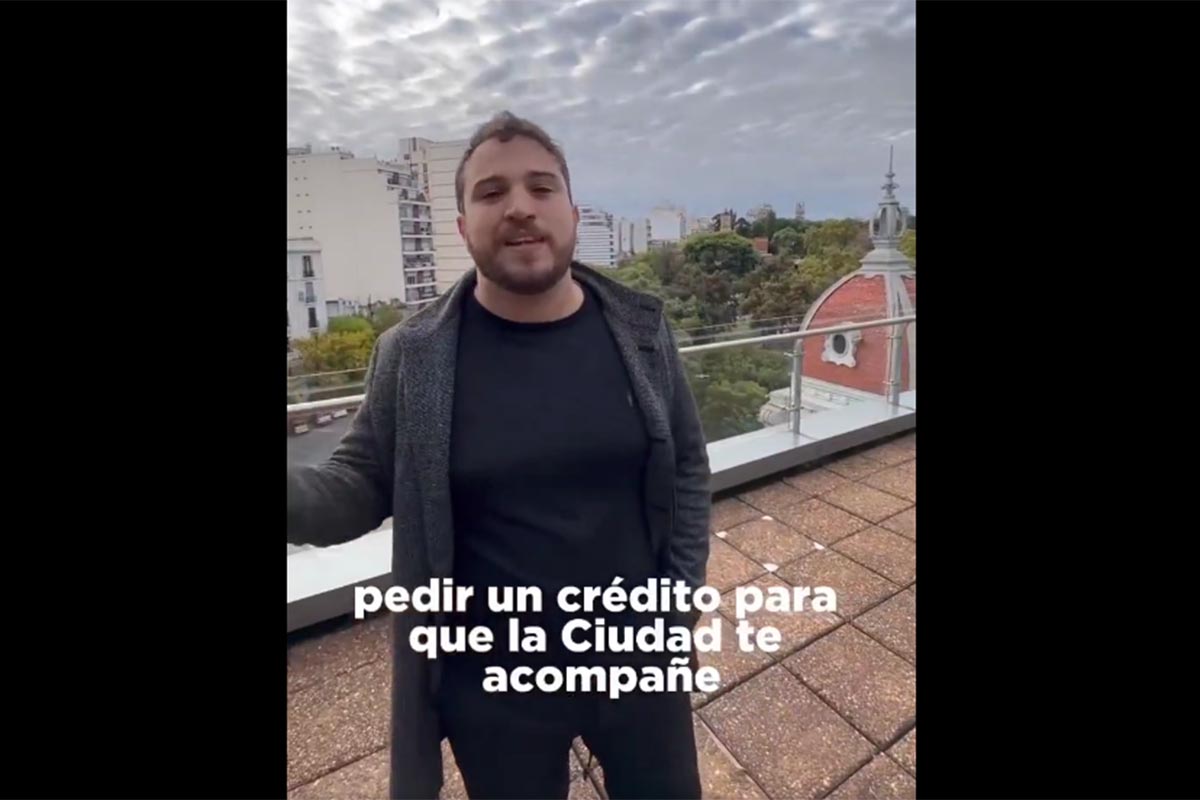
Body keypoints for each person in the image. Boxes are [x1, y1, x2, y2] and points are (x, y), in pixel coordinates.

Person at [287, 111, 711, 800]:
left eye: (541, 187)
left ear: (572, 213)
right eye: (491, 192)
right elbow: (358, 484)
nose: (519, 206)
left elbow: (688, 465)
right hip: (493, 686)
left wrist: (678, 605)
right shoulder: (414, 354)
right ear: (463, 227)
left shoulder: (639, 329)